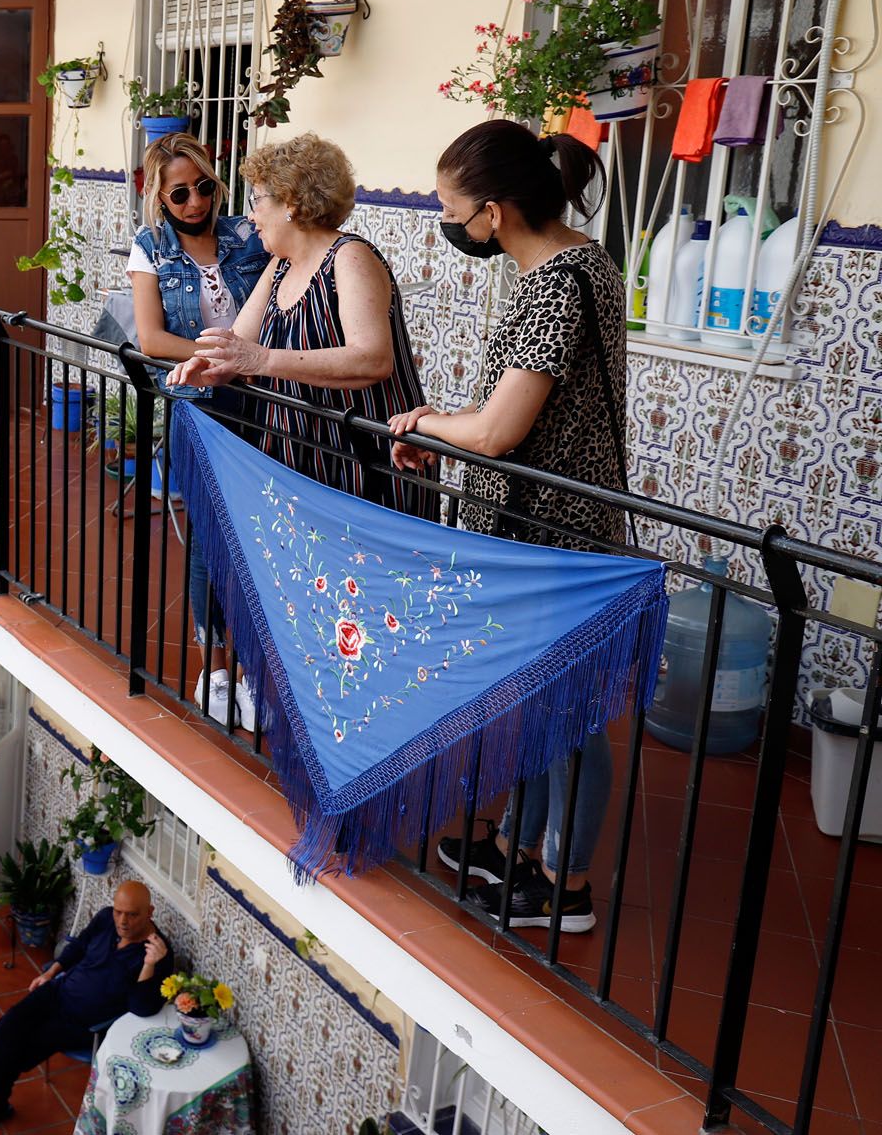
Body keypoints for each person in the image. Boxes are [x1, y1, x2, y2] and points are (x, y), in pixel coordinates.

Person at [387, 118, 620, 934]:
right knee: (535, 701)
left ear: (494, 211)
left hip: (553, 534)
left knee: (569, 711)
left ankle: (567, 884)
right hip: (532, 525)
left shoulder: (560, 281)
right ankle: (523, 848)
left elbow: (498, 431)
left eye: (452, 210)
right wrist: (445, 433)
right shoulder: (562, 266)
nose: (449, 225)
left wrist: (425, 423)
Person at [167, 133, 436, 726]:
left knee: (365, 600)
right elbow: (240, 343)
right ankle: (312, 707)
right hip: (303, 459)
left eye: (257, 198)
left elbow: (372, 359)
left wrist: (256, 361)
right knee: (311, 592)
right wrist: (205, 367)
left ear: (291, 201)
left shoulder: (351, 258)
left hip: (362, 465)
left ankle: (371, 723)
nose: (249, 212)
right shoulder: (282, 265)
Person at [126, 133, 269, 697]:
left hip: (260, 402)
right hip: (199, 404)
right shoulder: (152, 247)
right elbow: (153, 337)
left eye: (203, 188)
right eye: (180, 193)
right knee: (212, 536)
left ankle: (254, 665)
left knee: (258, 533)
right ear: (160, 197)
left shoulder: (246, 233)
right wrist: (221, 358)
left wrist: (254, 362)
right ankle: (215, 668)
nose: (195, 203)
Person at [0, 880, 172, 1130]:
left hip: (83, 1023)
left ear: (149, 913)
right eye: (118, 912)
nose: (123, 921)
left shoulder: (158, 952)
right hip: (58, 991)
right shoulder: (106, 919)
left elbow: (141, 1008)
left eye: (132, 915)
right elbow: (80, 945)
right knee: (8, 1024)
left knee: (22, 1045)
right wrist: (50, 973)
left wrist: (149, 965)